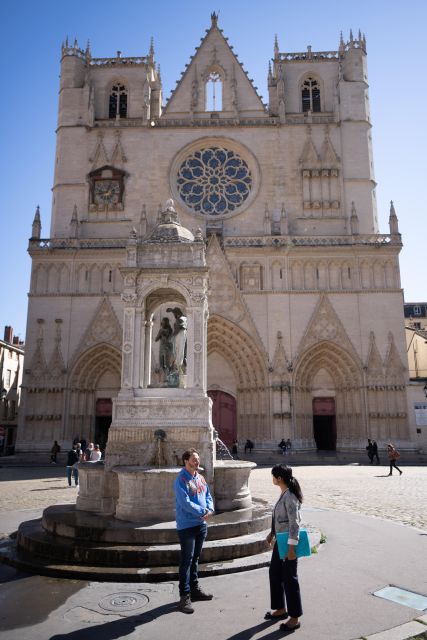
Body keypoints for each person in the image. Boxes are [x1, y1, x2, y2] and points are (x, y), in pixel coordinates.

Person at [174, 448, 214, 614]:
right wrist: (202, 512)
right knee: (186, 561)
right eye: (194, 459)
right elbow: (184, 502)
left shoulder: (200, 477)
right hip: (187, 526)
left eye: (198, 459)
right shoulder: (181, 479)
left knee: (196, 558)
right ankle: (184, 596)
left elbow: (208, 496)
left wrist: (210, 509)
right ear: (186, 461)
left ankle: (195, 589)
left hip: (201, 524)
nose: (197, 462)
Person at [265, 464, 303, 631]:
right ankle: (280, 609)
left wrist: (292, 549)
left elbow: (294, 523)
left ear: (279, 478)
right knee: (275, 573)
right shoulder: (284, 494)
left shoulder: (291, 497)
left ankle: (294, 618)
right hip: (280, 542)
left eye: (273, 476)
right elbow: (280, 519)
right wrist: (271, 533)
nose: (272, 479)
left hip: (288, 545)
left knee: (289, 579)